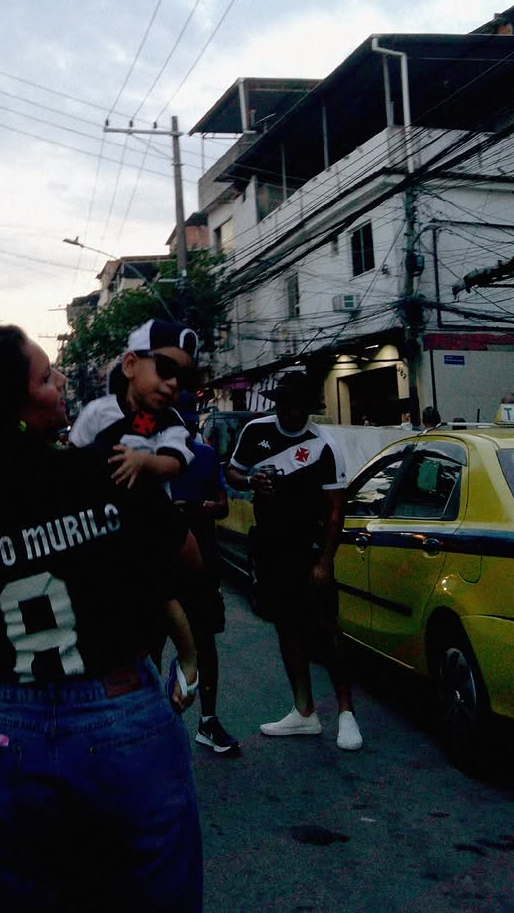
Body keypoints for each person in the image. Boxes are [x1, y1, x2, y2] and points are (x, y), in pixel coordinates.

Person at [0, 326, 204, 912]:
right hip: (120, 716)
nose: (63, 379)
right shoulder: (106, 473)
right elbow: (188, 564)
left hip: (3, 725)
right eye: (46, 377)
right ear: (14, 406)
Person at [226, 371, 363, 752]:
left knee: (325, 626)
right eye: (284, 404)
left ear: (307, 408)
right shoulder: (256, 432)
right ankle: (304, 711)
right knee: (286, 627)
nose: (290, 412)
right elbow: (232, 471)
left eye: (298, 406)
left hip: (310, 548)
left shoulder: (324, 444)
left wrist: (326, 560)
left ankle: (346, 713)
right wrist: (250, 479)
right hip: (272, 548)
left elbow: (336, 508)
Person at [171, 394, 240, 757]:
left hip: (202, 565)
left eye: (187, 424)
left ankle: (208, 721)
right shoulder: (148, 459)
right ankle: (155, 727)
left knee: (205, 644)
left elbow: (222, 505)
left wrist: (207, 507)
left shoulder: (206, 456)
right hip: (160, 565)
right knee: (150, 645)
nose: (183, 431)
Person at [69, 319, 197, 488]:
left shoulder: (169, 422)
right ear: (130, 365)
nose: (173, 382)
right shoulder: (97, 411)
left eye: (183, 377)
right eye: (166, 368)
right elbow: (74, 456)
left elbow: (174, 463)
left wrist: (145, 461)